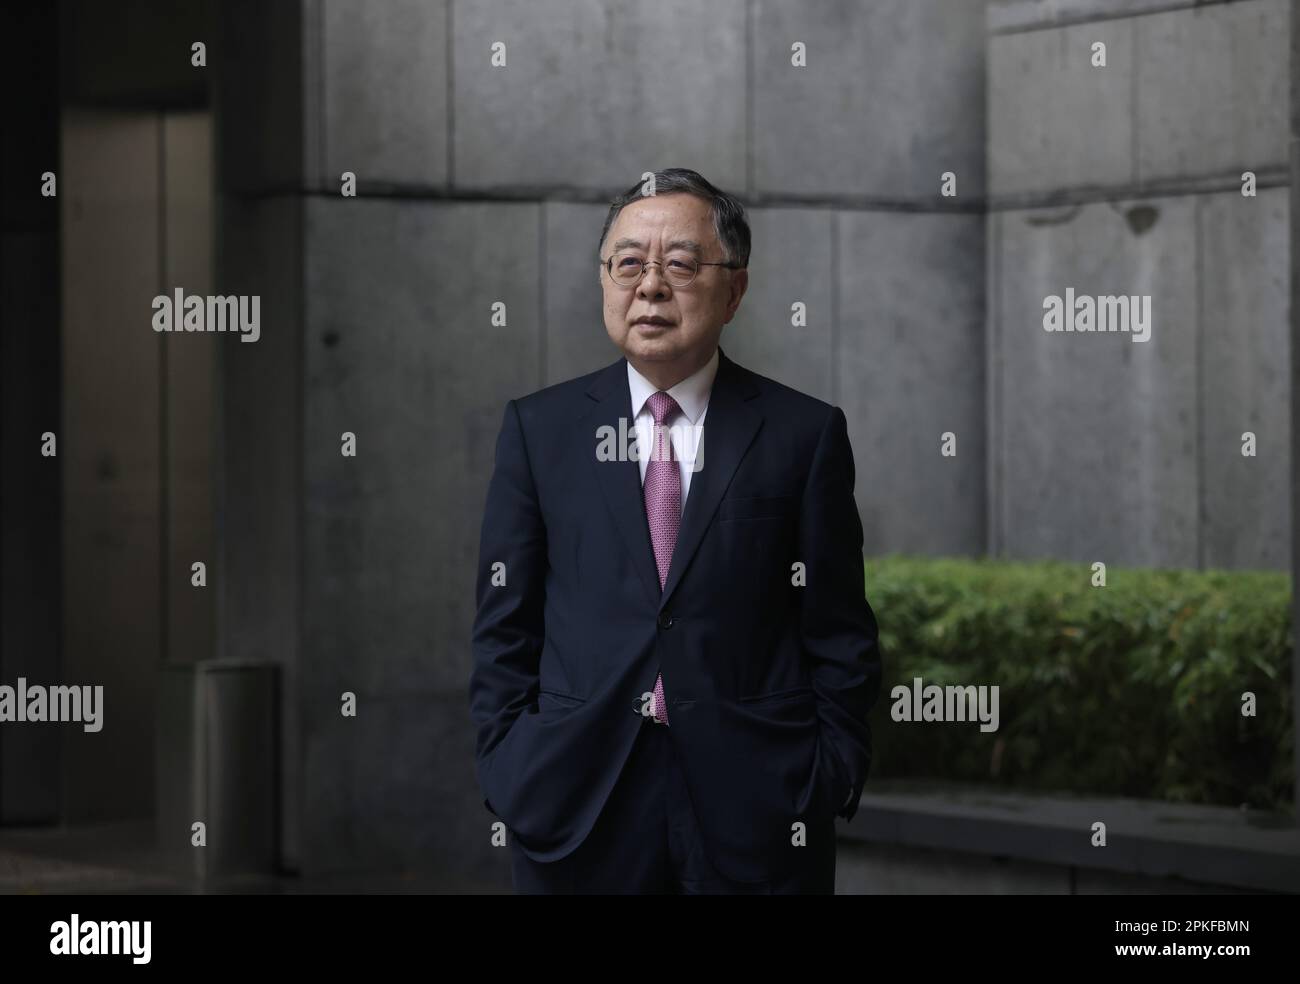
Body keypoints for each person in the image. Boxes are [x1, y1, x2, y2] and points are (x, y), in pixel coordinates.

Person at [468, 167, 882, 894]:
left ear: (735, 289)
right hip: (576, 802)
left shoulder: (802, 434)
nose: (650, 286)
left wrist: (827, 776)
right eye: (628, 264)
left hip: (758, 809)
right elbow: (505, 628)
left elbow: (840, 633)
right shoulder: (542, 431)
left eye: (681, 264)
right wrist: (510, 769)